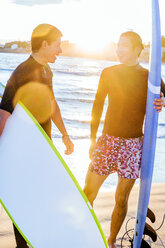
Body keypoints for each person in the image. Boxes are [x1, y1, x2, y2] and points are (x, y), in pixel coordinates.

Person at [83, 31, 165, 248]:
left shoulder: (150, 76)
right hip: (108, 140)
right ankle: (83, 234)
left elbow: (164, 96)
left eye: (124, 46)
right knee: (87, 194)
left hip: (133, 145)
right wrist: (93, 140)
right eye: (118, 45)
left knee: (121, 199)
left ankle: (110, 241)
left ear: (138, 49)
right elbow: (97, 105)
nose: (119, 50)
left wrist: (162, 101)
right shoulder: (108, 72)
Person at [0, 23, 74, 248]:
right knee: (25, 198)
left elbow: (51, 105)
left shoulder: (46, 70)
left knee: (42, 196)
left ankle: (33, 239)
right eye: (57, 45)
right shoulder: (22, 72)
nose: (60, 51)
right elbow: (4, 113)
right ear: (44, 44)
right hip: (25, 150)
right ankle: (22, 244)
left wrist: (64, 135)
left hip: (43, 147)